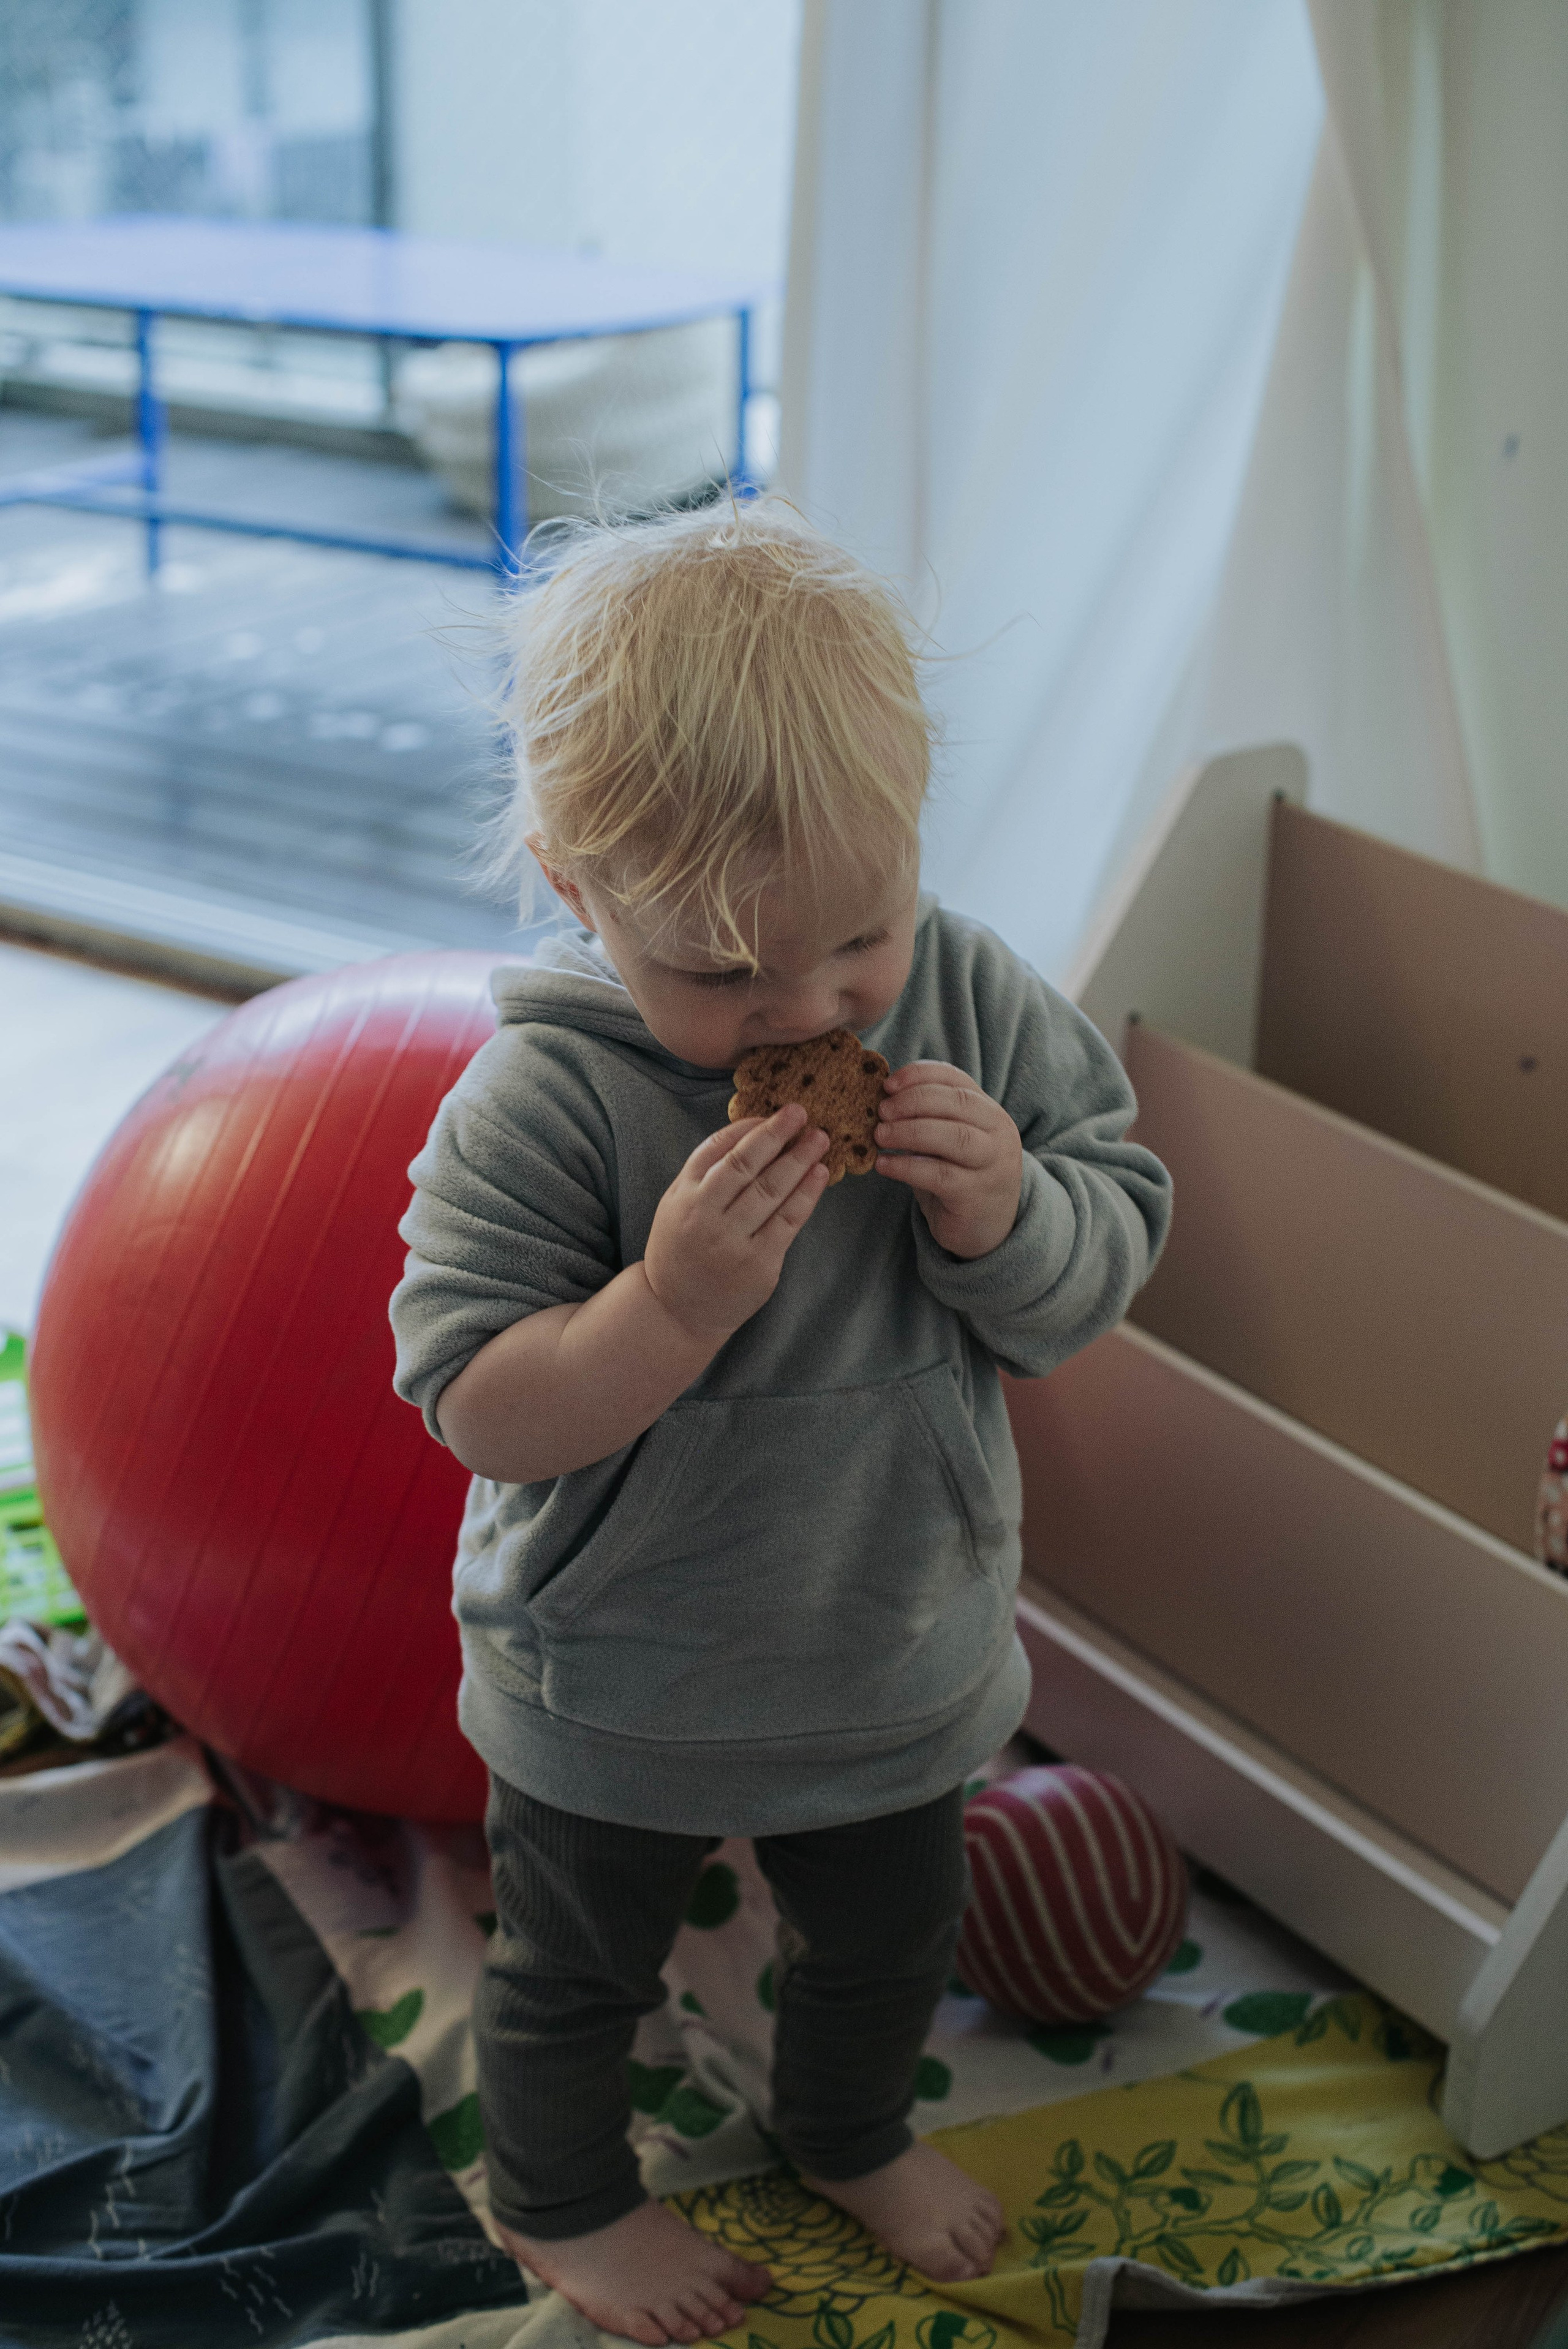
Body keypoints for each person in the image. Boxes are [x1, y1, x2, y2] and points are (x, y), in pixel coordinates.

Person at [390, 498, 1172, 2345]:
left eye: (857, 940)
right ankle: (566, 2198)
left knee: (886, 1942)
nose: (807, 1010)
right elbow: (473, 1400)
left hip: (893, 1638)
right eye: (726, 972)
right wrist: (665, 1307)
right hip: (620, 1669)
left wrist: (1014, 1211)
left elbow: (1100, 1259)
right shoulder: (543, 1102)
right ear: (584, 894)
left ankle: (843, 2130)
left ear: (912, 847)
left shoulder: (971, 998)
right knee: (575, 1968)